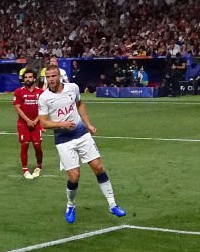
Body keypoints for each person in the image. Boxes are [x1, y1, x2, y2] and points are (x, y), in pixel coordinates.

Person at [38, 68, 126, 224]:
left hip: (81, 134)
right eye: (48, 77)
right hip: (63, 139)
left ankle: (112, 204)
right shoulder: (44, 98)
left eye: (53, 76)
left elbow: (80, 104)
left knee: (98, 167)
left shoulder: (73, 88)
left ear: (59, 76)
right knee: (74, 176)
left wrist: (88, 124)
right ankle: (71, 205)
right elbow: (43, 122)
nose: (51, 79)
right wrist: (61, 124)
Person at [12, 69, 44, 179]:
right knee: (24, 145)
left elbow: (44, 109)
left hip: (37, 123)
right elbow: (17, 108)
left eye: (30, 77)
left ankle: (39, 166)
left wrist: (35, 121)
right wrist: (28, 121)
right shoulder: (18, 92)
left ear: (34, 79)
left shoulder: (40, 92)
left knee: (37, 146)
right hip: (23, 124)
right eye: (26, 77)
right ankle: (25, 169)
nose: (27, 79)